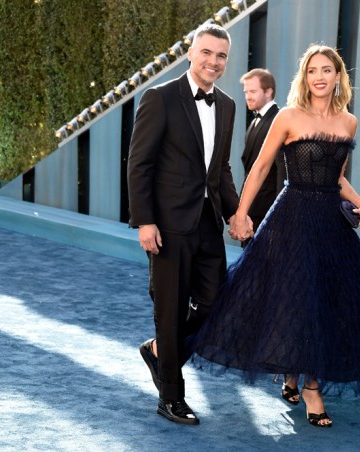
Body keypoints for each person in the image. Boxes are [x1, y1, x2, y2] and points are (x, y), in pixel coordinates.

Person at [190, 44, 360, 428]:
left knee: (324, 299)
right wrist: (241, 213)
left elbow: (337, 176)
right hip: (291, 214)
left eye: (327, 70)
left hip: (330, 222)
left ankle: (296, 375)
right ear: (304, 78)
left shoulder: (349, 123)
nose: (319, 77)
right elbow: (260, 169)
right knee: (295, 297)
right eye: (312, 71)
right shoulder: (289, 117)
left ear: (338, 76)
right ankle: (311, 387)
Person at [127, 23, 250, 425]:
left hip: (207, 223)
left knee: (216, 304)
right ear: (190, 53)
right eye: (207, 53)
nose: (213, 62)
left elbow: (221, 169)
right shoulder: (160, 97)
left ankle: (161, 352)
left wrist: (236, 211)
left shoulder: (229, 105)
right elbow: (139, 164)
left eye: (221, 56)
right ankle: (171, 397)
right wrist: (145, 221)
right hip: (167, 225)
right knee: (170, 310)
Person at [239, 68, 285, 242]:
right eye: (246, 92)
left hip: (269, 214)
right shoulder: (254, 121)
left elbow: (282, 171)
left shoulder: (279, 121)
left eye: (252, 91)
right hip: (252, 211)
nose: (248, 96)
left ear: (268, 92)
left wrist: (278, 215)